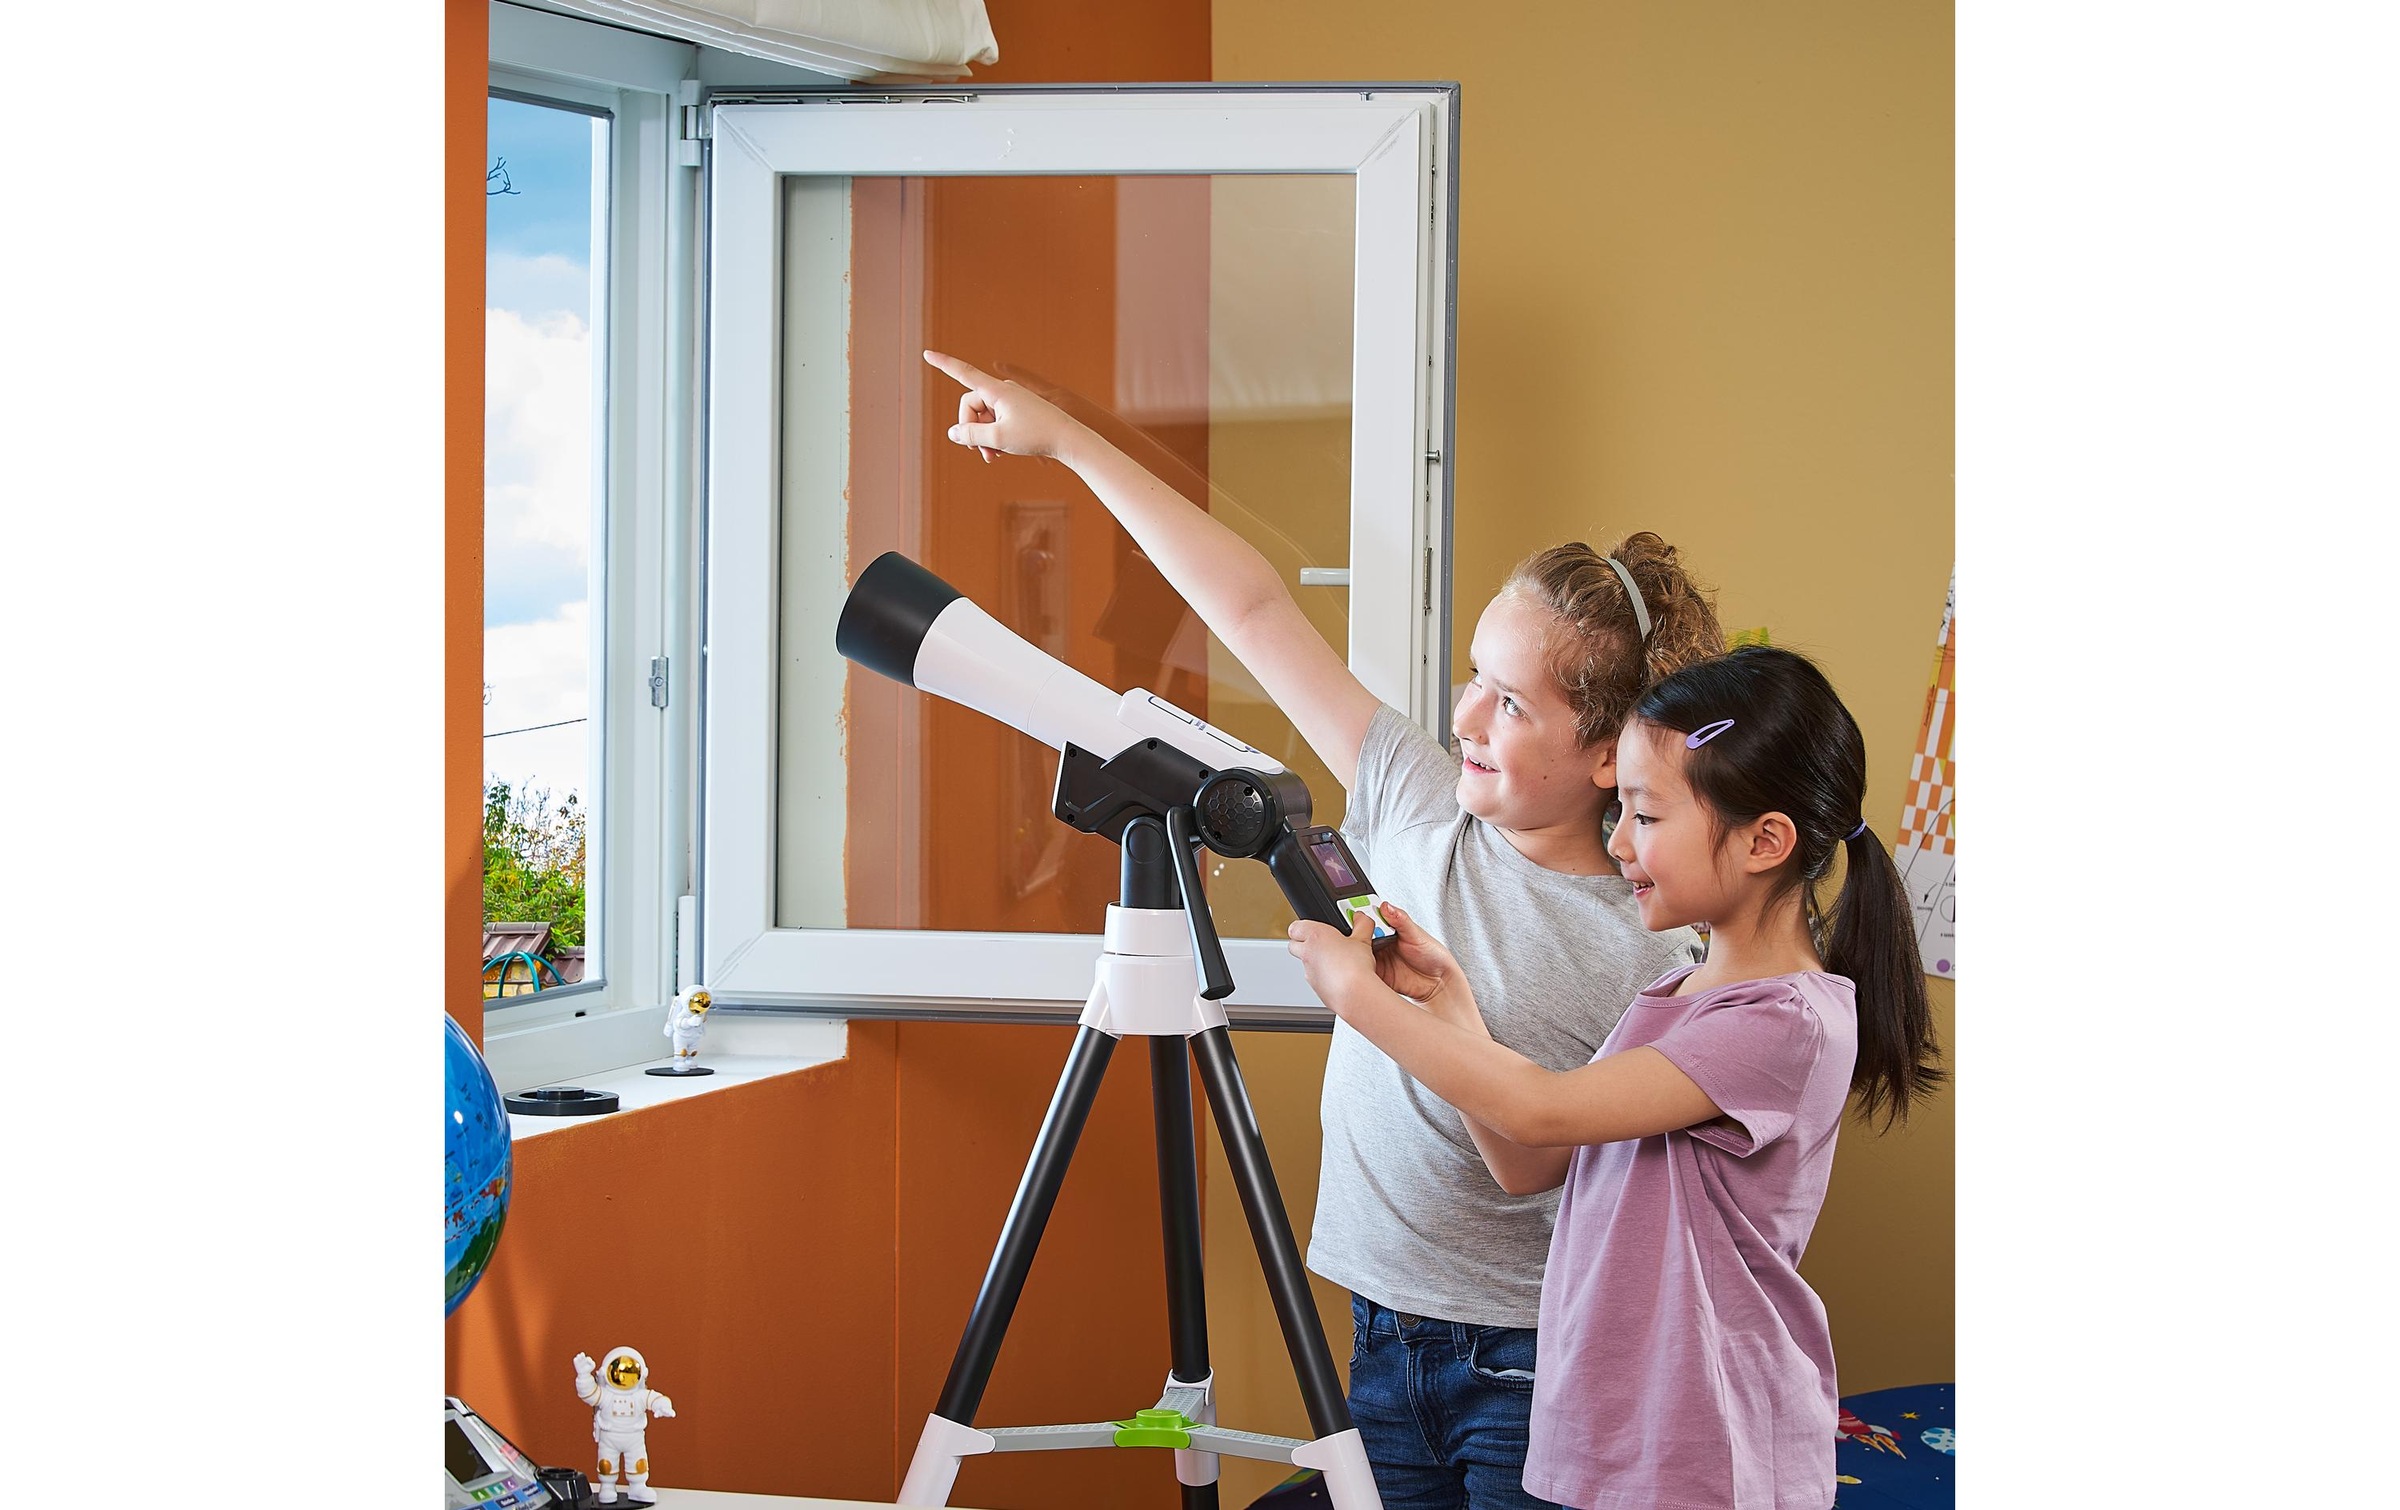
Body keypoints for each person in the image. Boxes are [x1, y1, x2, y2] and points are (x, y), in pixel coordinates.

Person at [925, 351, 1726, 1510]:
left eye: (1510, 702)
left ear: (1609, 754)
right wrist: (1069, 445)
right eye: (1474, 675)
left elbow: (1544, 1156)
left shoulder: (1650, 942)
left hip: (1538, 1354)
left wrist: (1384, 1006)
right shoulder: (1413, 791)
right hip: (1381, 1333)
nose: (1464, 714)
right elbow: (1249, 605)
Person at [1285, 645, 1945, 1510]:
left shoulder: (1785, 1022)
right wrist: (1446, 1001)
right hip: (1616, 1423)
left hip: (1700, 1438)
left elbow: (1541, 1108)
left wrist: (1357, 999)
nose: (1621, 840)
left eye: (1648, 815)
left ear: (1765, 840)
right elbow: (1526, 1157)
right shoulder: (1674, 997)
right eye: (1621, 810)